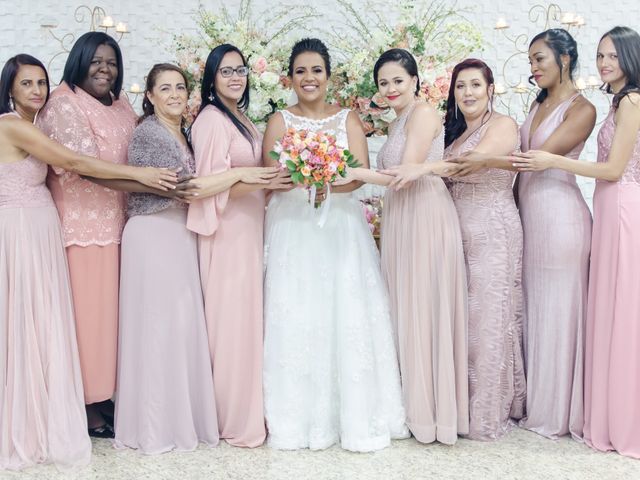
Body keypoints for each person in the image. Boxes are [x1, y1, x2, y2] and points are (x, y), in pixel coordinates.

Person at [0, 54, 174, 470]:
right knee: (27, 319)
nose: (38, 91)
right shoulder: (12, 126)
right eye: (27, 84)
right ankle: (30, 417)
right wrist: (144, 176)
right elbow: (75, 163)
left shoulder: (32, 124)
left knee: (42, 321)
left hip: (41, 227)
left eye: (41, 82)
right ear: (9, 88)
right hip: (20, 230)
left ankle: (42, 406)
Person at [262, 38, 408, 452]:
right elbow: (269, 178)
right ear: (290, 77)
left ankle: (355, 414)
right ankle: (297, 415)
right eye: (301, 71)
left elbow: (359, 173)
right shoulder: (279, 121)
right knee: (298, 311)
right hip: (293, 226)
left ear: (329, 76)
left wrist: (328, 183)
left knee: (345, 310)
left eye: (317, 71)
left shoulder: (347, 119)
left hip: (340, 225)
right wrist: (303, 181)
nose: (309, 79)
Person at [514, 26, 640, 458]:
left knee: (621, 312)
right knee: (605, 312)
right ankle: (601, 413)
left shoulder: (633, 102)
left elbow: (614, 169)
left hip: (622, 207)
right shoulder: (616, 103)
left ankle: (619, 419)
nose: (605, 64)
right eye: (601, 56)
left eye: (614, 56)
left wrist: (551, 160)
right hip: (606, 209)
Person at [344, 48, 469, 445]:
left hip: (425, 213)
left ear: (415, 80)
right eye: (383, 83)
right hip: (401, 216)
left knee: (423, 308)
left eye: (398, 80)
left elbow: (407, 174)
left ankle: (432, 415)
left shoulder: (424, 114)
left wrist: (345, 171)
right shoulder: (397, 120)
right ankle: (411, 407)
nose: (391, 88)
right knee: (403, 306)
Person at [37, 32, 139, 437]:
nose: (105, 69)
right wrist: (146, 181)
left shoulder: (121, 104)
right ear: (78, 60)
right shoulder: (63, 102)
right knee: (87, 320)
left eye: (112, 62)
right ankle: (84, 404)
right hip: (81, 227)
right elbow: (83, 166)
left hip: (119, 224)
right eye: (96, 61)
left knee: (110, 321)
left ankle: (105, 394)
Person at [114, 64, 219, 454]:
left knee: (179, 325)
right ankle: (155, 427)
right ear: (151, 96)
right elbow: (184, 188)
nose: (175, 94)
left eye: (181, 87)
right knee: (157, 327)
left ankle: (180, 418)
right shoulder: (149, 132)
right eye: (166, 88)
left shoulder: (183, 132)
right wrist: (243, 178)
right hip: (153, 232)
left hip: (178, 234)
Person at [186, 44, 286, 448]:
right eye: (225, 71)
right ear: (211, 78)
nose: (235, 77)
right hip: (226, 230)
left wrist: (270, 180)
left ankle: (247, 409)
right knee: (231, 327)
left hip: (248, 226)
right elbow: (209, 182)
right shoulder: (211, 120)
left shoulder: (239, 116)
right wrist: (263, 180)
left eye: (240, 70)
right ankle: (232, 417)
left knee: (247, 323)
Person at [517, 29, 594, 440]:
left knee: (559, 313)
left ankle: (559, 411)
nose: (534, 68)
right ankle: (535, 401)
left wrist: (479, 157)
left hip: (561, 217)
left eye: (540, 59)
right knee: (534, 308)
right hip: (530, 217)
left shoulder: (583, 109)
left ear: (564, 59)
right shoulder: (538, 103)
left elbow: (536, 160)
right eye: (531, 61)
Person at [443, 59, 525, 440]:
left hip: (494, 229)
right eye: (460, 86)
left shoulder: (503, 125)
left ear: (490, 88)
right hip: (459, 230)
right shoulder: (458, 132)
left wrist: (425, 167)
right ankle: (462, 407)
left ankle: (488, 414)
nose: (468, 93)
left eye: (475, 85)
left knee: (490, 320)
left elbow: (469, 165)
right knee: (466, 321)